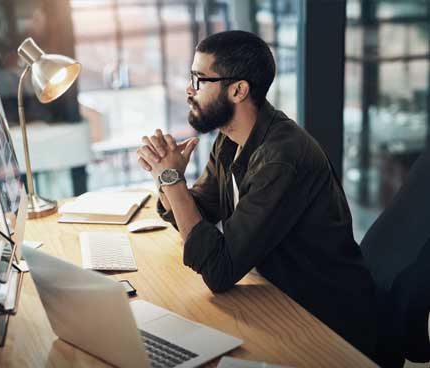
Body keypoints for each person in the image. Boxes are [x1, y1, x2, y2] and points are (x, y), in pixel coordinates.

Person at [135, 30, 377, 358]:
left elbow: (220, 271)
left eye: (200, 79)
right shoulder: (230, 137)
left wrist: (172, 179)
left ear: (238, 90)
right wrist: (166, 178)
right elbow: (202, 213)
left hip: (328, 325)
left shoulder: (281, 158)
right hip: (277, 297)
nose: (189, 89)